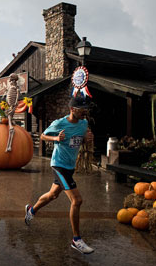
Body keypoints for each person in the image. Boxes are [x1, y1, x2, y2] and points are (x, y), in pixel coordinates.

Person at [24, 96, 95, 254]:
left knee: (52, 195)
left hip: (70, 166)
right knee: (77, 200)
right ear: (72, 109)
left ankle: (31, 210)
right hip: (58, 165)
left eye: (86, 109)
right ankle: (76, 240)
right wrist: (55, 138)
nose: (85, 112)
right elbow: (43, 135)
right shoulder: (59, 123)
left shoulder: (83, 123)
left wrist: (85, 139)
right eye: (82, 109)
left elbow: (78, 140)